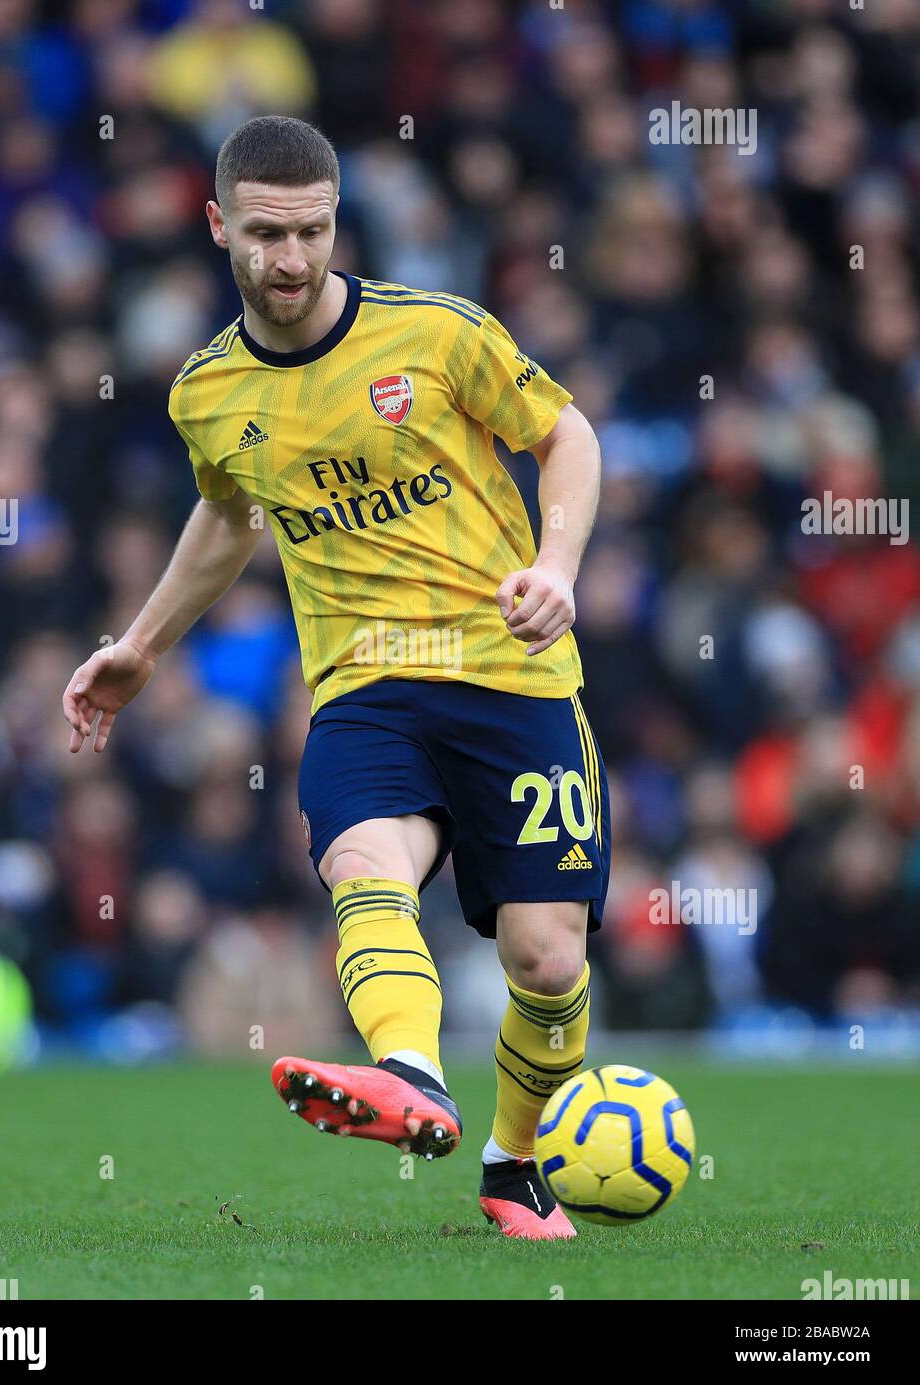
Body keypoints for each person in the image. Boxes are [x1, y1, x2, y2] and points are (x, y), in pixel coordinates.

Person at [62, 115, 608, 1239]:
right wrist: (142, 645)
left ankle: (512, 1164)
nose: (290, 258)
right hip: (364, 687)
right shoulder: (206, 392)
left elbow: (567, 437)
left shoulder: (436, 332)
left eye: (311, 231)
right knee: (364, 865)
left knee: (546, 961)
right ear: (218, 226)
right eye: (264, 234)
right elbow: (226, 513)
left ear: (335, 220)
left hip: (511, 671)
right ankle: (410, 1072)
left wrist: (554, 565)